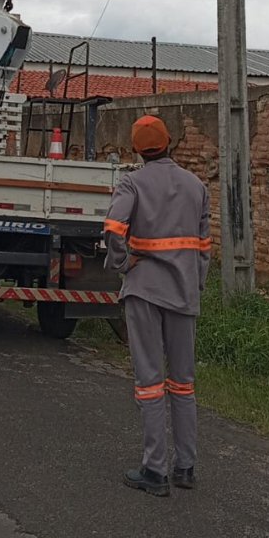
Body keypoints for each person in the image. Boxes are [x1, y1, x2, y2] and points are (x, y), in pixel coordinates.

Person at [104, 114, 211, 497]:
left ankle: (154, 470)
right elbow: (203, 248)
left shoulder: (131, 183)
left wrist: (121, 264)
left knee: (150, 382)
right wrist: (195, 285)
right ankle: (185, 467)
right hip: (184, 293)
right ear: (170, 142)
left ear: (137, 149)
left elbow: (113, 228)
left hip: (145, 292)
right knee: (183, 383)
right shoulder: (197, 186)